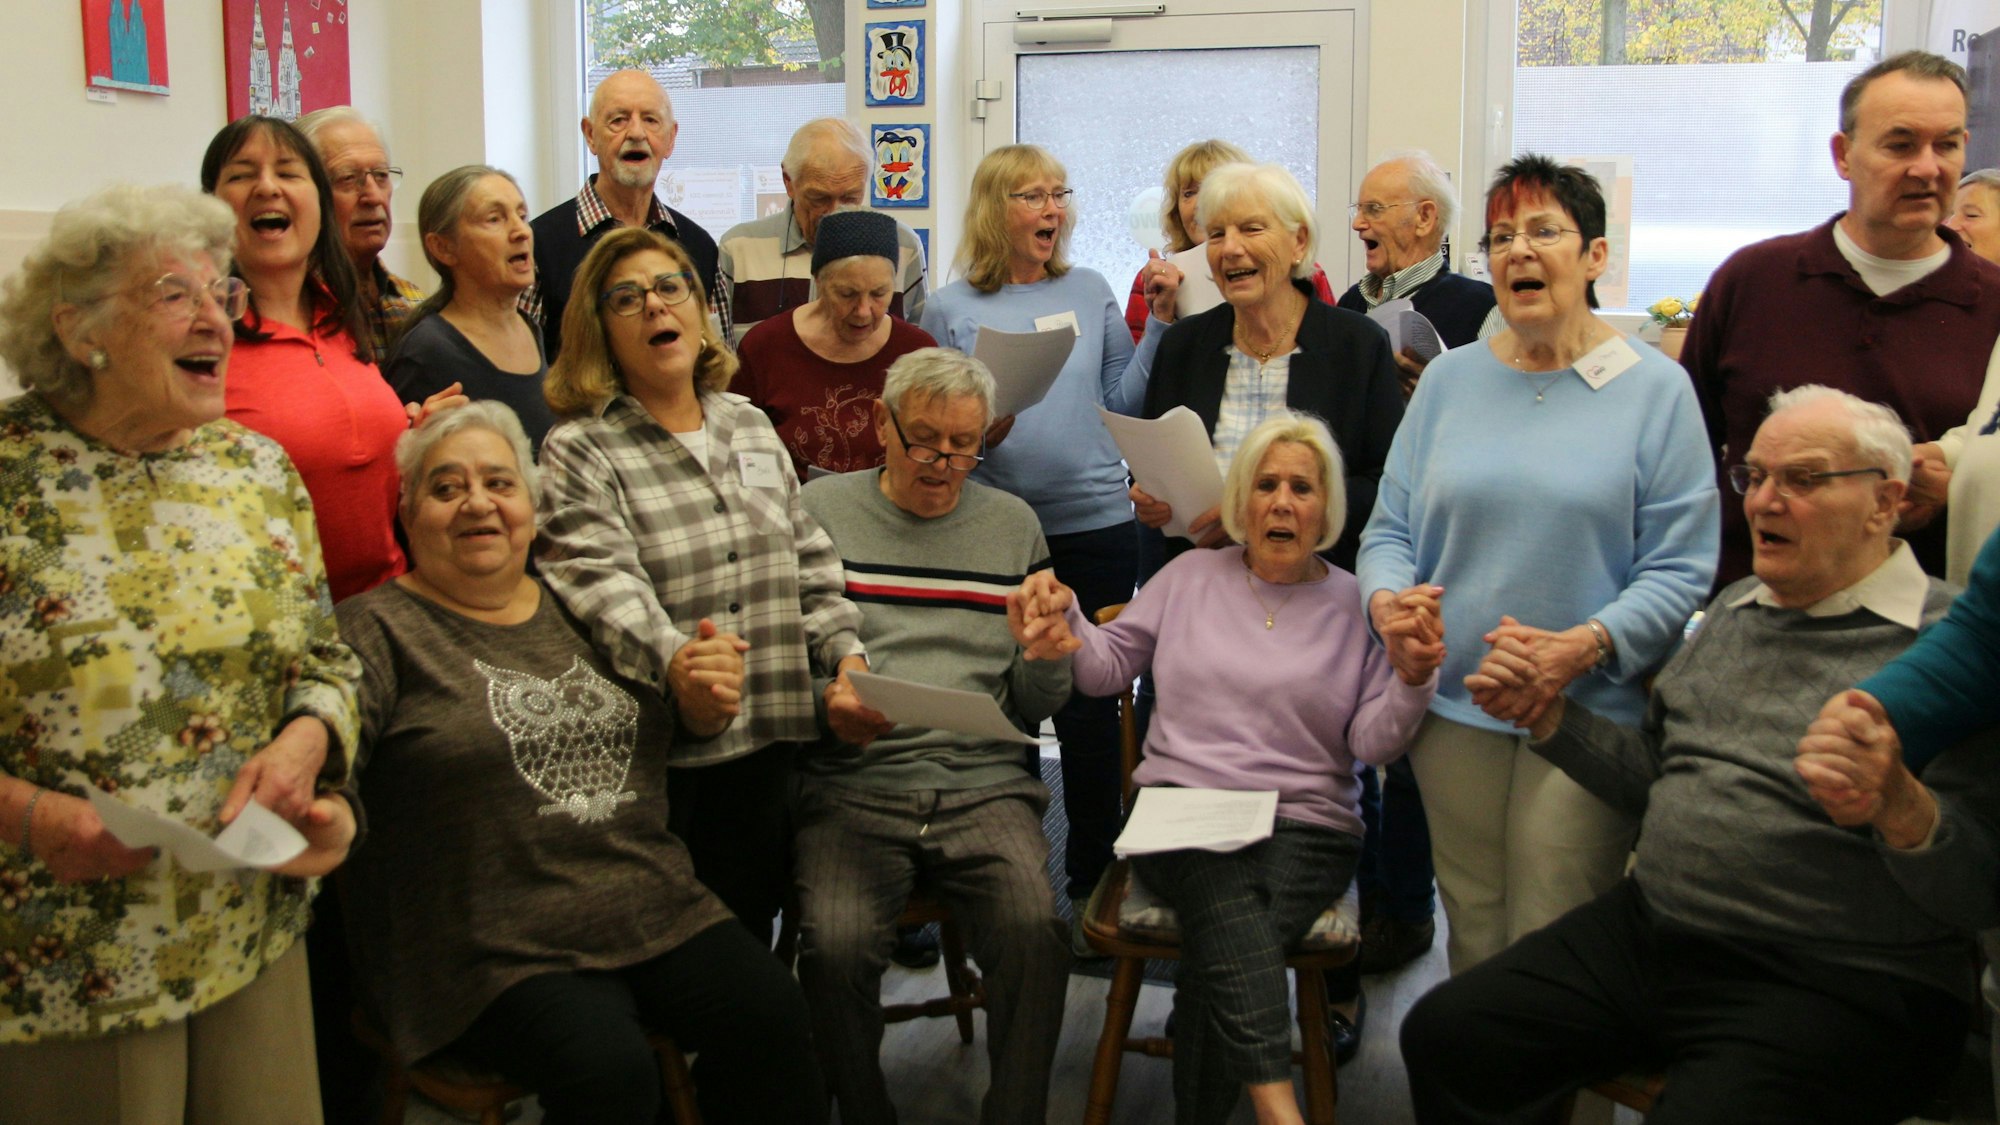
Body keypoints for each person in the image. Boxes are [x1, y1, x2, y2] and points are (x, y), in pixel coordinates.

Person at [1402, 386, 2000, 1125]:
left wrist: (1902, 807)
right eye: (1755, 477)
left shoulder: (1951, 649)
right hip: (1657, 931)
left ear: (1886, 501)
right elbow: (1655, 778)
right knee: (1451, 1034)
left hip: (1844, 975)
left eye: (1803, 479)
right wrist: (1552, 717)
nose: (1763, 502)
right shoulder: (1735, 609)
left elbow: (1981, 887)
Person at [336, 403, 825, 1125]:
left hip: (645, 901)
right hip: (487, 939)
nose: (477, 502)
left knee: (776, 1011)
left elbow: (670, 719)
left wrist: (703, 699)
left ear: (534, 508)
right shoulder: (375, 627)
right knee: (609, 1068)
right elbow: (331, 746)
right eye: (446, 488)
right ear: (406, 512)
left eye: (500, 483)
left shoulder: (581, 608)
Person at [0, 183, 361, 1124]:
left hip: (250, 926)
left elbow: (328, 658)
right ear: (81, 329)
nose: (217, 318)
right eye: (175, 294)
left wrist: (307, 745)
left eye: (224, 294)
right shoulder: (8, 481)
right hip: (66, 961)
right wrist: (31, 815)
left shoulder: (255, 469)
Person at [1012, 413, 1440, 1125]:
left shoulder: (1353, 602)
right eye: (1266, 484)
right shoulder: (1187, 577)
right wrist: (1072, 623)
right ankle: (1279, 1106)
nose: (1281, 501)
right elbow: (1105, 668)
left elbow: (1372, 742)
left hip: (1307, 823)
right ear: (1241, 501)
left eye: (1302, 487)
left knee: (1222, 940)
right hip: (1184, 811)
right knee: (1228, 896)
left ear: (1326, 507)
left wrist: (1414, 678)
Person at [1356, 154, 1719, 976]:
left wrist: (1582, 645)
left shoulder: (1657, 391)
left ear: (1595, 256)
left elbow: (1680, 569)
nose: (1519, 251)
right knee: (1476, 938)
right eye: (1501, 236)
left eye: (1544, 231)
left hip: (1588, 712)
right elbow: (1388, 531)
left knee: (1555, 949)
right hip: (1453, 708)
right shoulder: (1448, 381)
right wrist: (1387, 610)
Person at [536, 227, 868, 944]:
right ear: (599, 329)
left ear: (698, 306)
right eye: (627, 298)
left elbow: (808, 558)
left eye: (670, 287)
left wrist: (848, 658)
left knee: (762, 934)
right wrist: (674, 661)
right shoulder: (581, 447)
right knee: (693, 955)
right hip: (671, 760)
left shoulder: (746, 424)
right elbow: (601, 584)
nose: (655, 306)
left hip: (776, 736)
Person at [794, 348, 1070, 1125]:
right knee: (834, 947)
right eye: (923, 440)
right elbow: (784, 661)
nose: (944, 463)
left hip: (984, 782)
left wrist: (1048, 657)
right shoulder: (821, 512)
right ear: (880, 425)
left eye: (964, 444)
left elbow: (1029, 702)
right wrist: (826, 705)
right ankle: (864, 1110)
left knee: (1035, 931)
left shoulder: (1012, 525)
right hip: (855, 779)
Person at [920, 143, 1160, 942]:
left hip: (1096, 524)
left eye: (1060, 194)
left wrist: (1157, 320)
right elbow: (938, 435)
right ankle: (1014, 881)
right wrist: (980, 434)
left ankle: (1093, 874)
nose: (1052, 210)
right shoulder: (949, 307)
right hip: (994, 530)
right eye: (1032, 196)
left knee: (1093, 713)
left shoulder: (1090, 289)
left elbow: (1122, 396)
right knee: (1008, 710)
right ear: (997, 209)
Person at [1681, 50, 2000, 587]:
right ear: (1844, 154)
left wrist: (1962, 488)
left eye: (1945, 145)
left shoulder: (1993, 305)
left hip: (1926, 641)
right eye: (1900, 144)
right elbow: (1682, 460)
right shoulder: (1753, 281)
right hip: (1747, 623)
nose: (1927, 167)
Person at [198, 115, 460, 604]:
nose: (267, 187)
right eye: (241, 174)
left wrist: (415, 438)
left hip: (390, 609)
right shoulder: (199, 335)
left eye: (288, 171)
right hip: (279, 627)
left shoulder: (341, 317)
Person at [1129, 161, 1403, 572]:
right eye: (1218, 234)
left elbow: (1386, 483)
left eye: (1252, 229)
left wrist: (1247, 516)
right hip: (1199, 584)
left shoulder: (1357, 346)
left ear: (1299, 242)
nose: (1231, 248)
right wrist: (1150, 501)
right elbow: (1152, 468)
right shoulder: (1182, 347)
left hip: (1318, 586)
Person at [528, 69, 723, 362]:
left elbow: (718, 366)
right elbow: (518, 376)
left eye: (650, 120)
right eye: (618, 120)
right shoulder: (536, 247)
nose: (636, 133)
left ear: (671, 139)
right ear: (591, 135)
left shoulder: (700, 247)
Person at [735, 209, 936, 480]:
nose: (864, 311)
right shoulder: (765, 347)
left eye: (879, 294)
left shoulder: (917, 353)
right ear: (819, 282)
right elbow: (742, 451)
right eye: (847, 294)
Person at [385, 165, 555, 453]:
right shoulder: (427, 350)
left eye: (522, 215)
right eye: (495, 219)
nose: (521, 232)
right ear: (443, 248)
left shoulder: (529, 327)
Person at [716, 118, 928, 345]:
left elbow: (917, 355)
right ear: (788, 182)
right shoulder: (739, 249)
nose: (834, 213)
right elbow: (719, 361)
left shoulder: (903, 245)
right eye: (819, 198)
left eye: (850, 198)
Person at [1122, 140, 1338, 344]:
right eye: (1189, 193)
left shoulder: (1303, 272)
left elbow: (1332, 349)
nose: (1201, 204)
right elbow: (1138, 378)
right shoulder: (1153, 280)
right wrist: (1161, 317)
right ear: (1176, 210)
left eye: (1213, 189)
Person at [1337, 150, 1499, 397]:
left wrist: (1437, 395)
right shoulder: (1350, 302)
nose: (1357, 223)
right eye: (1358, 210)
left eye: (1373, 209)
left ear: (1424, 217)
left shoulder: (1482, 306)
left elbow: (1494, 406)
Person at [296, 105, 425, 358]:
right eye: (347, 178)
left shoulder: (414, 303)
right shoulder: (295, 311)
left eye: (381, 175)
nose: (373, 197)